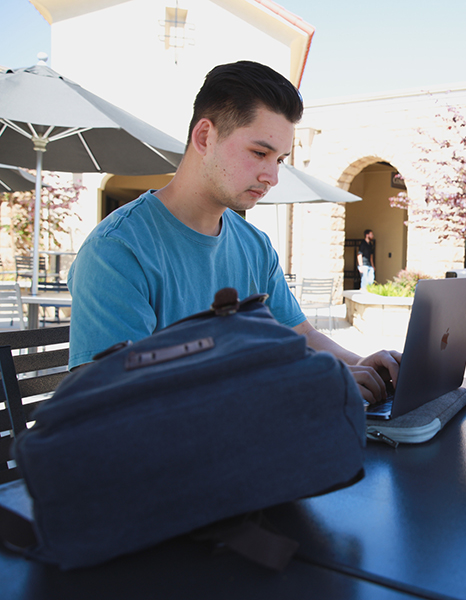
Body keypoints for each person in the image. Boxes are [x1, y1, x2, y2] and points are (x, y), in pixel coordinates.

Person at [68, 61, 400, 404]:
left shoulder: (254, 246)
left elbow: (299, 333)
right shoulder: (117, 250)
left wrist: (360, 363)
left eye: (280, 160)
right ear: (204, 137)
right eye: (259, 153)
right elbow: (119, 401)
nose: (271, 176)